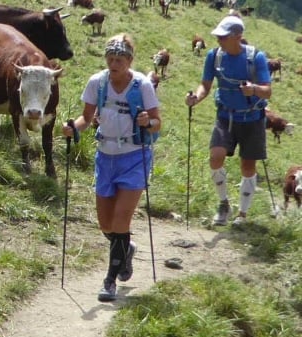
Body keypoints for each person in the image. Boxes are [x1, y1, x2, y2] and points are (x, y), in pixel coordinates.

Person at [62, 33, 161, 302]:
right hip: (105, 156)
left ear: (129, 61)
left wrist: (146, 123)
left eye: (120, 59)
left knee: (120, 220)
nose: (114, 63)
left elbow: (156, 123)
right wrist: (73, 128)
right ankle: (125, 249)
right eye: (110, 58)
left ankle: (110, 280)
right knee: (106, 224)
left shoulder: (141, 85)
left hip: (134, 156)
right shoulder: (98, 82)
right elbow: (85, 118)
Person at [185, 15, 271, 227]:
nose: (219, 40)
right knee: (216, 157)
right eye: (218, 36)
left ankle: (242, 213)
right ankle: (224, 203)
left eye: (223, 36)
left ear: (237, 36)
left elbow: (267, 91)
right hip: (225, 116)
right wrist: (196, 97)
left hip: (252, 118)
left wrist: (253, 89)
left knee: (248, 165)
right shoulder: (214, 56)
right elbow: (205, 84)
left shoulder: (256, 57)